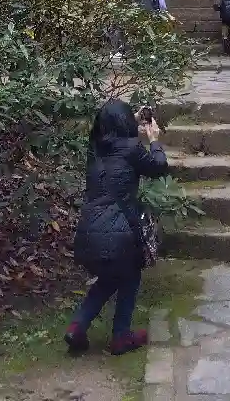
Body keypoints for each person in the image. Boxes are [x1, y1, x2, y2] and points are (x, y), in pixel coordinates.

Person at [66, 100, 169, 356]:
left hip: (88, 233)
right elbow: (158, 167)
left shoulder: (94, 150)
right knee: (130, 274)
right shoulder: (132, 148)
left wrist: (129, 119)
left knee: (109, 278)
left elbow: (108, 132)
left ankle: (77, 326)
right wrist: (154, 140)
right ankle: (121, 336)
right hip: (119, 232)